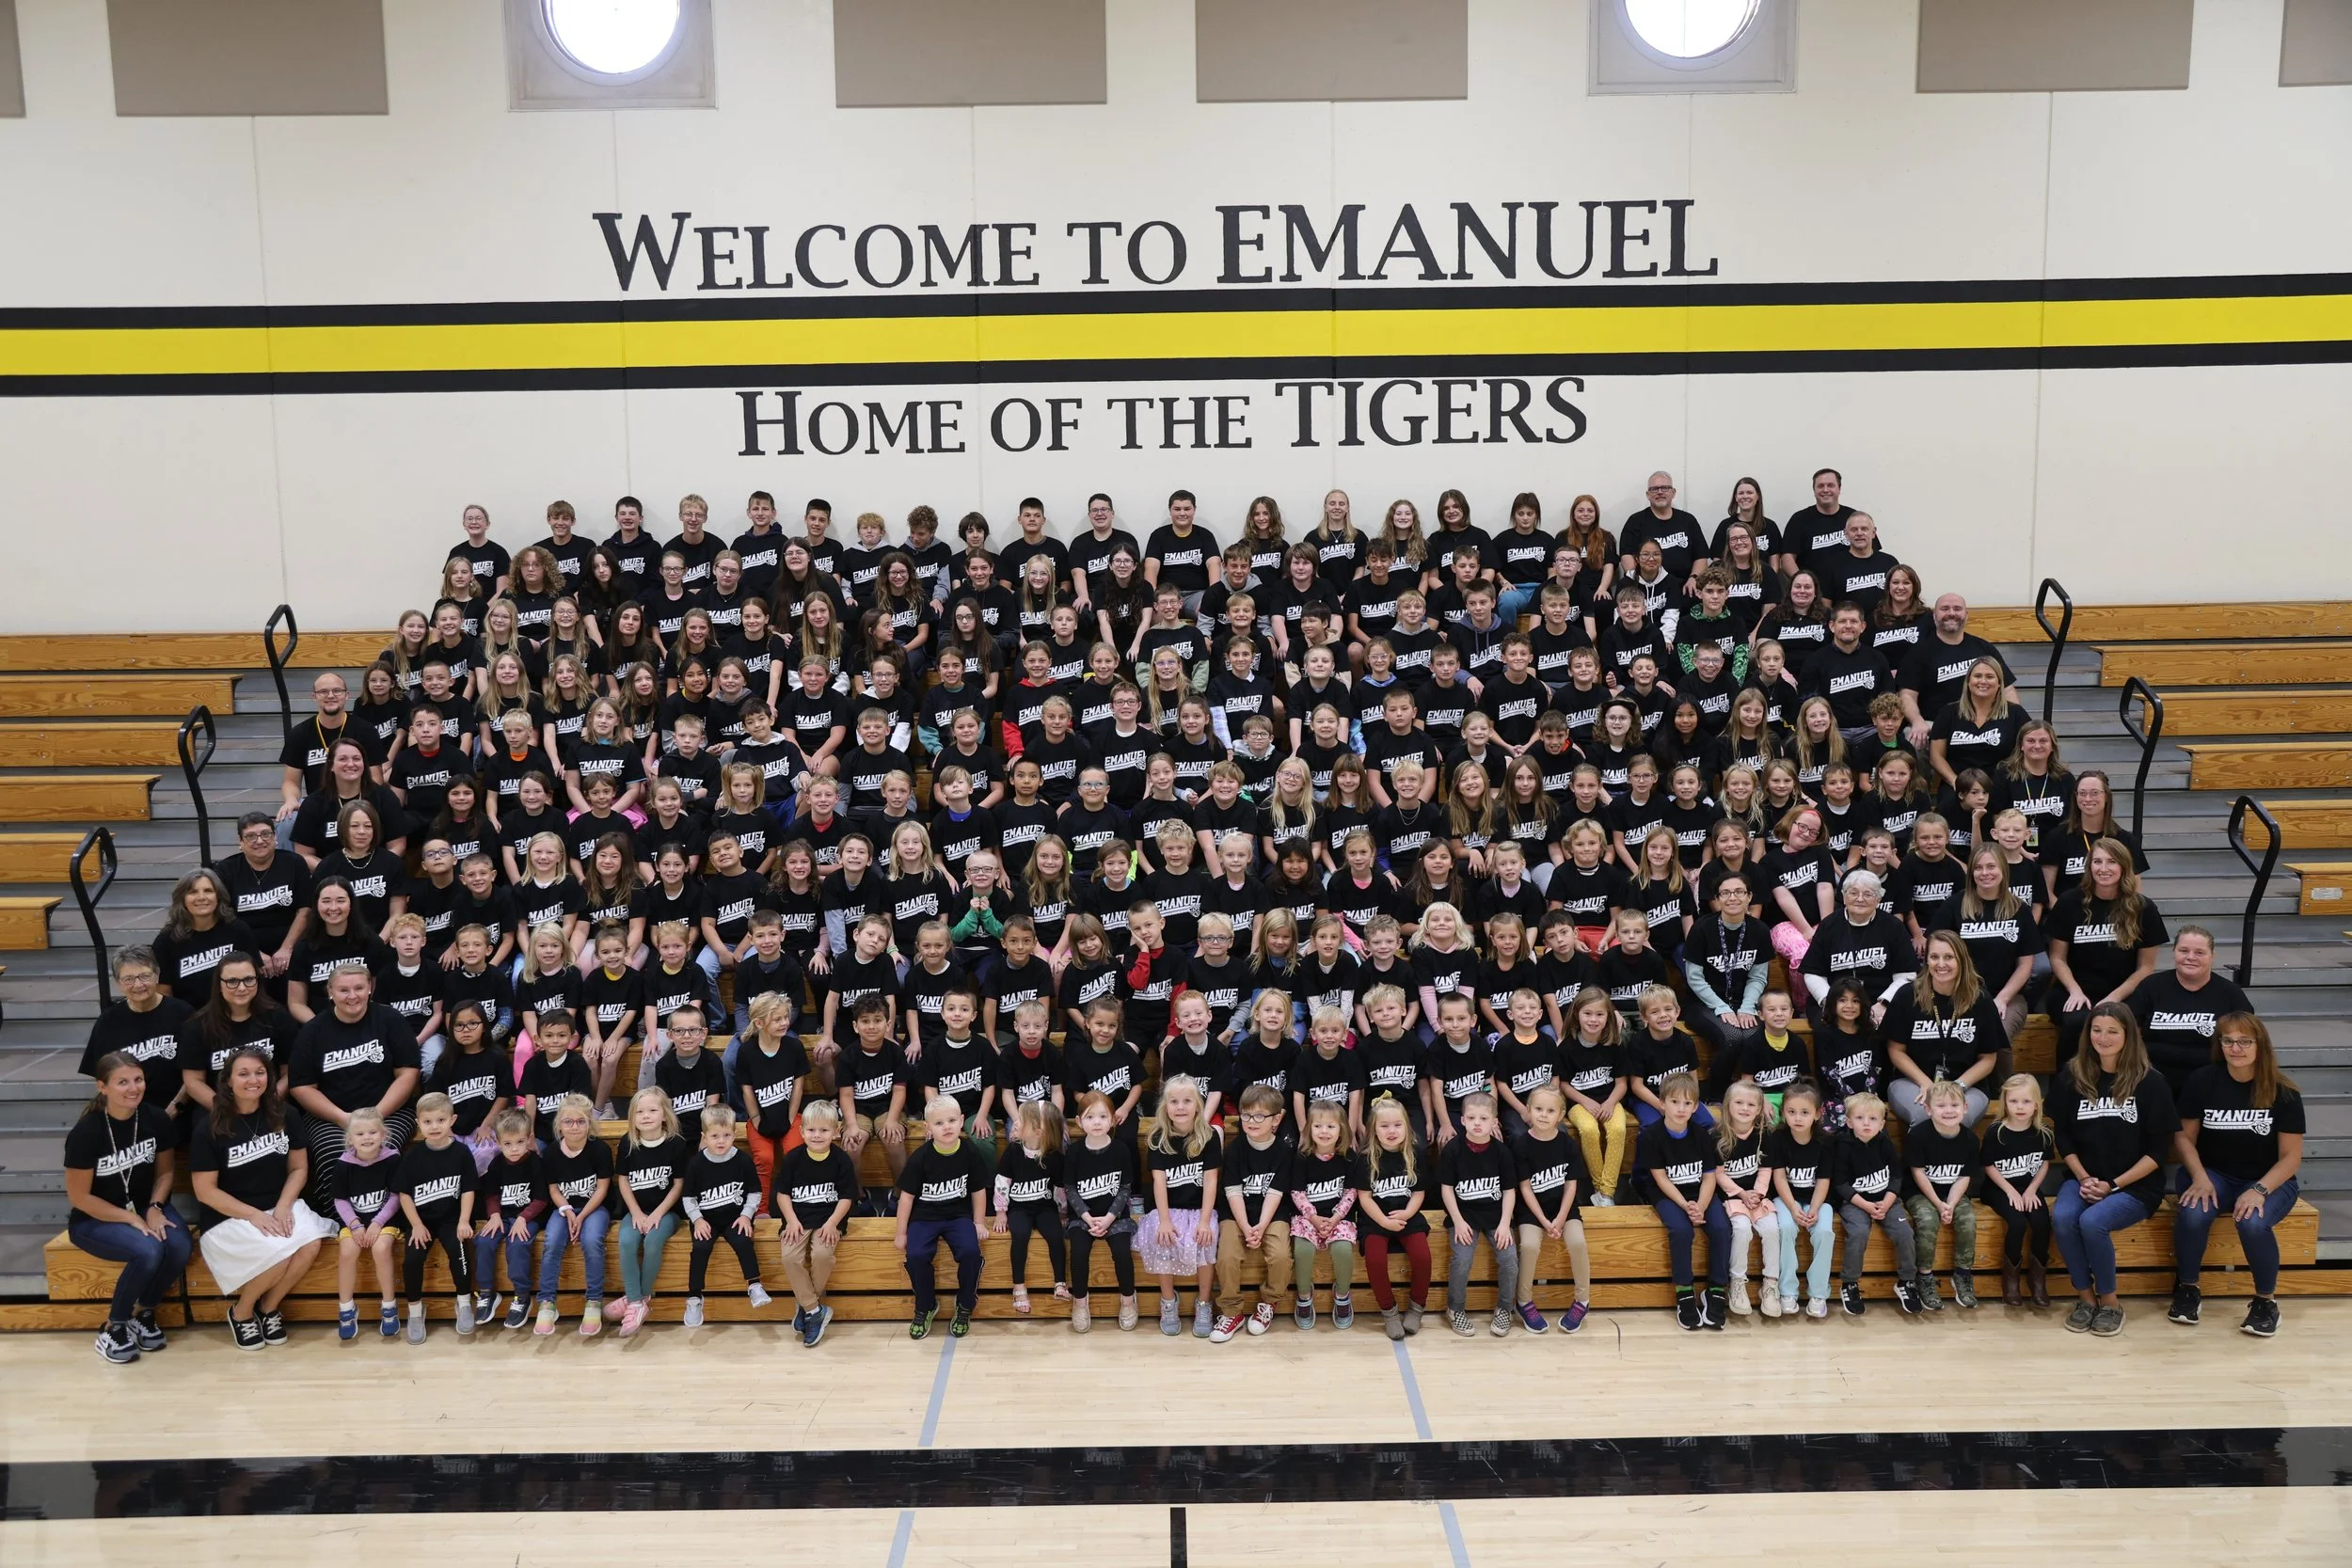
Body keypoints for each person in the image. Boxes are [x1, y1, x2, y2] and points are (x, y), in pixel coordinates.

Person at [188, 1047, 336, 1350]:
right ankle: (242, 1313)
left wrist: (283, 1206)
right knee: (279, 1251)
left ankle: (268, 1308)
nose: (253, 1080)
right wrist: (254, 1215)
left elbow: (298, 1169)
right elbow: (205, 1191)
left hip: (279, 1204)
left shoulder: (285, 1114)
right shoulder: (210, 1125)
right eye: (243, 1074)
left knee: (310, 1243)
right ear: (228, 1081)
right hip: (230, 1215)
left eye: (259, 1073)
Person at [2169, 1013, 2303, 1338]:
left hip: (2268, 1180)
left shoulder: (2283, 1091)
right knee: (2194, 1213)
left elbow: (2291, 1158)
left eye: (2245, 1041)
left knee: (2252, 1222)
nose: (2235, 1048)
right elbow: (2183, 1138)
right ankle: (2188, 1289)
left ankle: (2265, 1302)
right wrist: (2199, 1177)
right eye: (2228, 1041)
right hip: (2213, 1174)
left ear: (2260, 1045)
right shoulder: (2202, 1080)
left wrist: (2259, 1189)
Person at [2051, 1005, 2176, 1336]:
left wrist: (2113, 1185)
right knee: (2062, 1218)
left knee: (2093, 1221)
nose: (2102, 1038)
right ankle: (2085, 1299)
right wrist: (2084, 1177)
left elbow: (2158, 1152)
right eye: (2096, 1030)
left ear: (2128, 1035)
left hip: (2135, 1185)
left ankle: (2110, 1303)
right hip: (2084, 1178)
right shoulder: (2071, 1076)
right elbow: (2063, 1137)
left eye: (2112, 1031)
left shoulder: (2151, 1082)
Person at [64, 1053, 192, 1363]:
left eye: (138, 1080)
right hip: (95, 1218)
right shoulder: (87, 1133)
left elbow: (165, 1173)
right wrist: (130, 1218)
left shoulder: (155, 1119)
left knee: (178, 1245)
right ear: (103, 1087)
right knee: (148, 1249)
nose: (133, 1088)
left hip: (146, 1206)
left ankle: (142, 1313)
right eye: (122, 1082)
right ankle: (114, 1327)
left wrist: (155, 1207)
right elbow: (80, 1198)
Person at [1880, 931, 2004, 1126]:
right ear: (1926, 961)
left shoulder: (1980, 1000)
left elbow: (1988, 1058)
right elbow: (1896, 1050)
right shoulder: (1907, 995)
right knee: (1926, 1116)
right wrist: (1927, 1084)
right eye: (1934, 957)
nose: (1941, 964)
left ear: (1961, 960)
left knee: (1956, 1116)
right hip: (1913, 1081)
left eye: (1948, 957)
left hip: (1967, 1085)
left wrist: (1957, 1087)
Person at [895, 1094, 991, 1339]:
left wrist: (979, 1222)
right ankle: (926, 1305)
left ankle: (965, 1303)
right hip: (925, 1217)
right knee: (916, 1255)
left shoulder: (970, 1152)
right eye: (939, 1123)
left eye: (951, 1121)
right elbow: (906, 1198)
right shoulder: (920, 1157)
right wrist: (901, 1233)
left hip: (958, 1216)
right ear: (928, 1128)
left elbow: (978, 1190)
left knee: (971, 1252)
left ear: (961, 1121)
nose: (946, 1127)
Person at [1140, 1076, 1223, 1338]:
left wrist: (1204, 1220)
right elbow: (1159, 1183)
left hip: (1200, 1208)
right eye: (1174, 1101)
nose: (1180, 1107)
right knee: (1163, 1237)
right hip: (1168, 1208)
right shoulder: (1158, 1138)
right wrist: (1164, 1220)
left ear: (1197, 1105)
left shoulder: (1209, 1137)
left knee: (1206, 1237)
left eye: (1187, 1101)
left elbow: (1211, 1182)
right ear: (1165, 1107)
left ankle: (1204, 1303)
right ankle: (1168, 1301)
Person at [1211, 1084, 1294, 1341]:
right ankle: (1231, 1312)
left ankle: (1269, 1303)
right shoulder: (1235, 1149)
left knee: (1281, 1256)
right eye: (1246, 1115)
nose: (1251, 1121)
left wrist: (1261, 1226)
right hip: (1237, 1213)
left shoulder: (1284, 1151)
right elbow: (1233, 1191)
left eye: (1259, 1116)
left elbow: (1276, 1193)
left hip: (1272, 1212)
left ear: (1276, 1120)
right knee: (1226, 1256)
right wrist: (1247, 1227)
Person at [2131, 926, 2253, 1098]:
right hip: (2152, 1079)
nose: (2190, 957)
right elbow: (2130, 1035)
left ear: (2212, 956)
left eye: (2199, 952)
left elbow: (2245, 1044)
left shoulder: (2231, 994)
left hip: (2211, 1081)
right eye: (2183, 951)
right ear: (2174, 952)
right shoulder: (2150, 987)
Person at [680, 1104, 773, 1327]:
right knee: (701, 1248)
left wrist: (746, 1215)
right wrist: (697, 1220)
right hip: (705, 1220)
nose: (721, 1141)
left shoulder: (742, 1160)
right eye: (714, 1136)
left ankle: (754, 1285)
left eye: (726, 1135)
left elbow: (755, 1192)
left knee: (743, 1241)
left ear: (735, 1134)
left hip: (735, 1217)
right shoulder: (696, 1163)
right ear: (704, 1137)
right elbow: (688, 1197)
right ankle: (694, 1297)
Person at [1511, 1085, 1594, 1333]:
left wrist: (1559, 1218)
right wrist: (1545, 1221)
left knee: (1578, 1242)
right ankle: (1523, 1301)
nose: (1544, 1115)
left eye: (1550, 1110)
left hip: (1563, 1208)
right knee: (1529, 1246)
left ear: (1560, 1115)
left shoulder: (1568, 1144)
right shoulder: (1521, 1145)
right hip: (1532, 1211)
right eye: (1538, 1109)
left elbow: (1571, 1186)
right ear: (1528, 1110)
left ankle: (1582, 1300)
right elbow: (1525, 1188)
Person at [1831, 1091, 1921, 1318]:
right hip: (1855, 1202)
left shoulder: (1885, 1143)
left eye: (1872, 1119)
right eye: (1860, 1118)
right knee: (1859, 1233)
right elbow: (1841, 1184)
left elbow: (1896, 1177)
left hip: (1886, 1200)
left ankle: (1907, 1281)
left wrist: (1888, 1201)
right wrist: (1866, 1206)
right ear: (1848, 1122)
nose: (1866, 1124)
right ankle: (1850, 1283)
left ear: (1882, 1124)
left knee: (1905, 1232)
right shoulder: (1842, 1146)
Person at [1438, 1091, 1518, 1338]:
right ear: (1462, 1120)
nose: (1477, 1123)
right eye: (1471, 1118)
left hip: (1496, 1215)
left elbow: (1509, 1191)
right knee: (1462, 1258)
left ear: (1494, 1122)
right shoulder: (1452, 1150)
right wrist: (1458, 1221)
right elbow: (1446, 1189)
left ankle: (1505, 1308)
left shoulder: (1502, 1152)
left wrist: (1505, 1224)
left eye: (1483, 1119)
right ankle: (1455, 1309)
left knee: (1509, 1258)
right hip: (1463, 1216)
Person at [1903, 1079, 1982, 1310]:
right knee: (1928, 1220)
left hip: (1953, 1193)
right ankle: (1924, 1276)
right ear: (1928, 1109)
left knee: (1968, 1219)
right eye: (1941, 1105)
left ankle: (1963, 1274)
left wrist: (1951, 1204)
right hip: (1921, 1192)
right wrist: (1939, 1204)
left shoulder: (1970, 1140)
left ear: (1965, 1107)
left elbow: (1964, 1177)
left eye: (1954, 1105)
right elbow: (1918, 1173)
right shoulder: (1918, 1136)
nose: (1949, 1111)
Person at [1981, 1073, 2058, 1307]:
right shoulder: (1996, 1132)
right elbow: (1989, 1166)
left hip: (2028, 1188)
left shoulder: (2043, 1132)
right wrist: (2009, 1191)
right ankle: (2011, 1281)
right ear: (2005, 1103)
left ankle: (2038, 1280)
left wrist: (2032, 1189)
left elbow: (2044, 1164)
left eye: (2026, 1101)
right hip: (1999, 1188)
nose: (2020, 1107)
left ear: (2037, 1104)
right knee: (2017, 1222)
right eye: (2014, 1101)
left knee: (2042, 1222)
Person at [1765, 1082, 1836, 1320]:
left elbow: (1824, 1180)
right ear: (1783, 1113)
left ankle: (1818, 1293)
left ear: (1817, 1114)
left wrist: (1814, 1208)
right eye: (1792, 1111)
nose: (1797, 1118)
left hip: (1818, 1200)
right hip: (1787, 1199)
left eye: (1805, 1112)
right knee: (1785, 1227)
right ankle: (1787, 1290)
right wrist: (1793, 1207)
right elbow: (1779, 1178)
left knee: (1824, 1231)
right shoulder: (1777, 1139)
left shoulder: (1826, 1142)